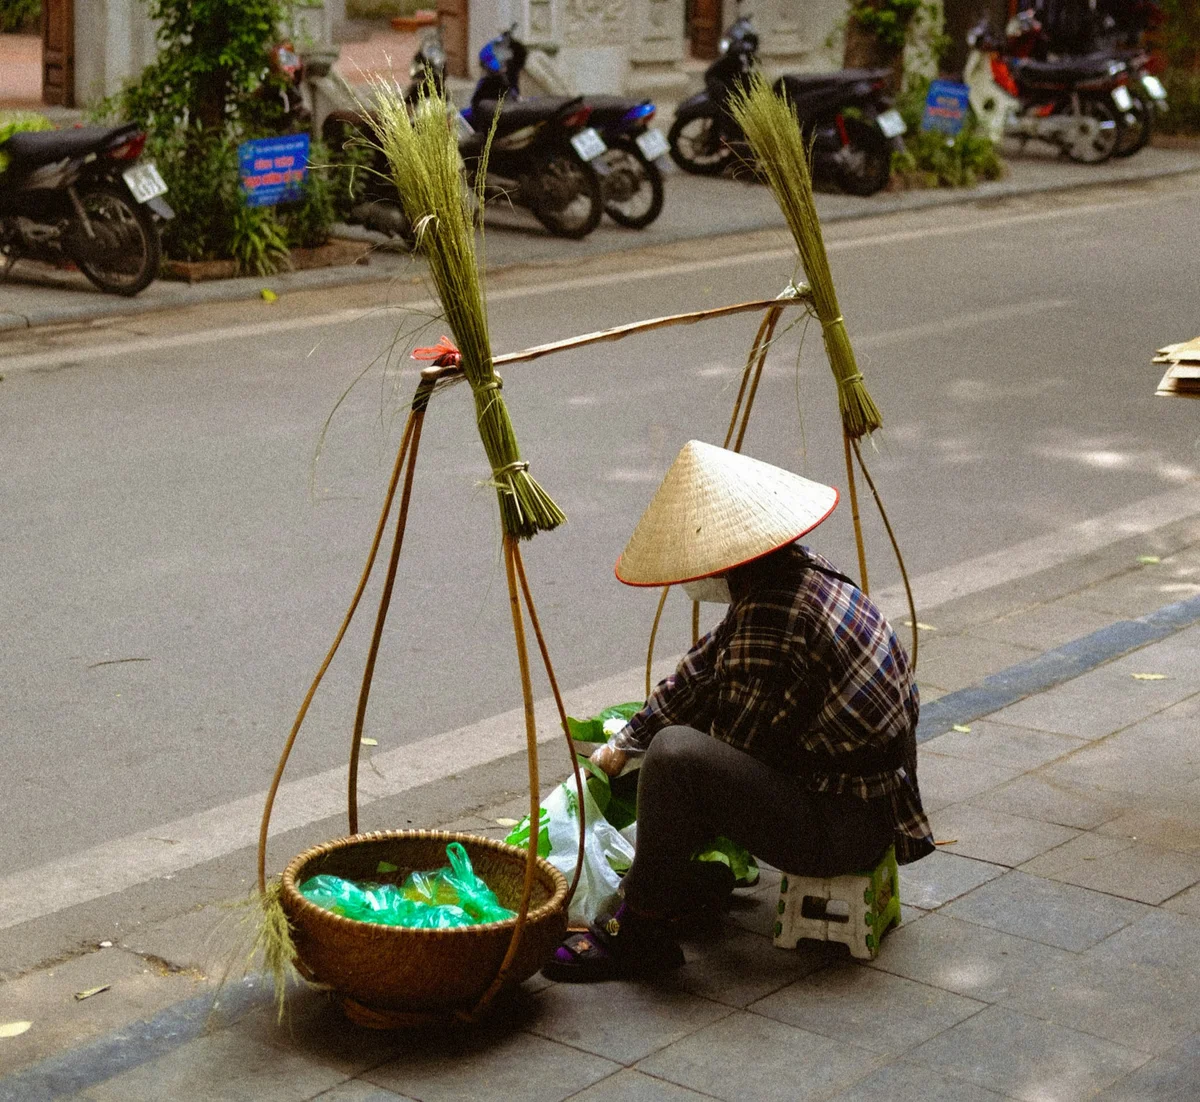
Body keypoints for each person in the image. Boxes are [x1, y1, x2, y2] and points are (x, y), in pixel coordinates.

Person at [543, 440, 933, 983]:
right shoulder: (794, 572)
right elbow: (705, 667)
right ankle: (675, 885)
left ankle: (643, 931)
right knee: (672, 740)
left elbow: (730, 750)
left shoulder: (775, 614)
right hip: (869, 796)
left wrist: (656, 762)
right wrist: (625, 741)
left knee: (678, 757)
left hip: (846, 824)